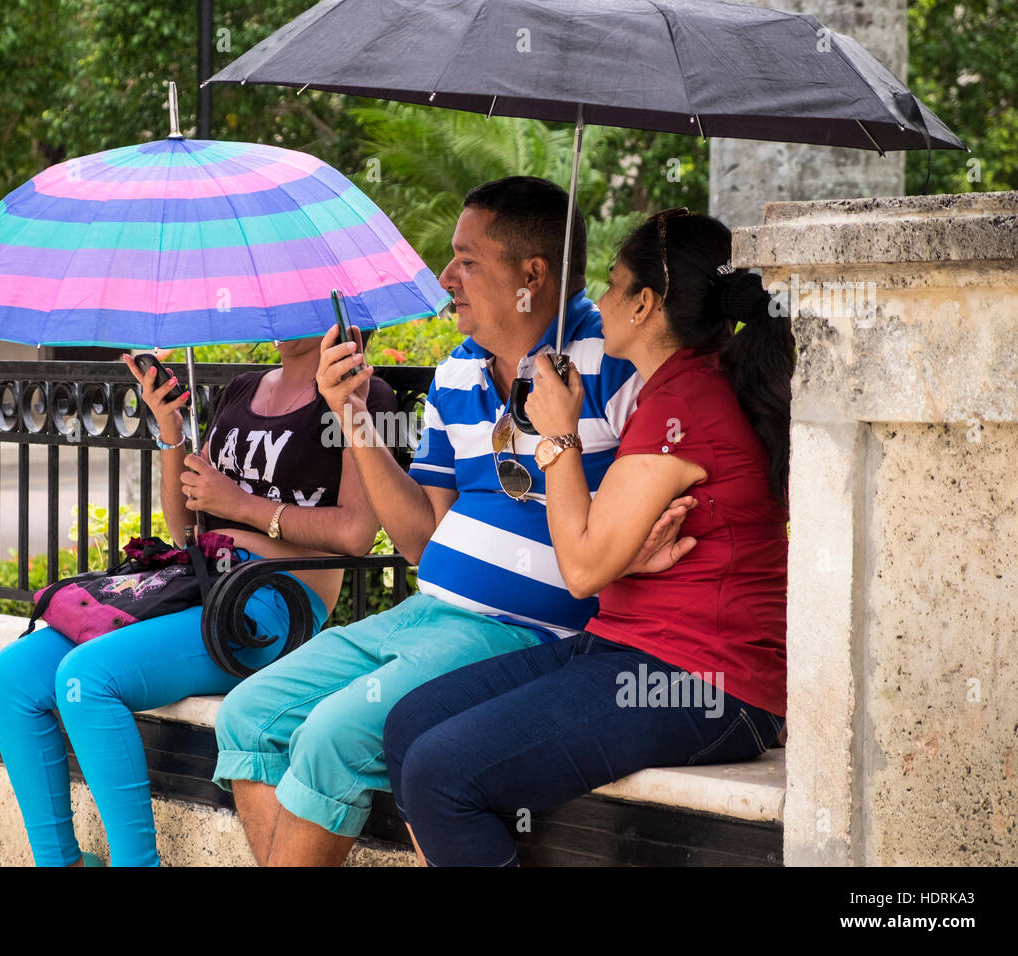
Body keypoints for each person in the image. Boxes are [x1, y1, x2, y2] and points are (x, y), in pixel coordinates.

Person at [213, 177, 693, 866]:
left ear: (532, 274)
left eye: (466, 260)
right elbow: (419, 541)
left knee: (332, 735)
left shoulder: (617, 363)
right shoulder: (456, 374)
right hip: (427, 611)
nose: (447, 277)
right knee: (248, 715)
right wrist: (352, 415)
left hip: (525, 634)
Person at [382, 210, 794, 866]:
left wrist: (557, 437)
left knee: (440, 773)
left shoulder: (686, 407)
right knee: (406, 725)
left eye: (611, 283)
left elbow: (579, 569)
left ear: (646, 304)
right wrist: (620, 555)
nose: (597, 300)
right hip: (624, 648)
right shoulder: (674, 391)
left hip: (706, 681)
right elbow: (602, 550)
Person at [0, 335, 396, 866]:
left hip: (271, 604)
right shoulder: (244, 390)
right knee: (12, 677)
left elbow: (357, 533)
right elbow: (186, 530)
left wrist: (242, 506)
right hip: (198, 584)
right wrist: (171, 431)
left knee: (86, 679)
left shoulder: (361, 396)